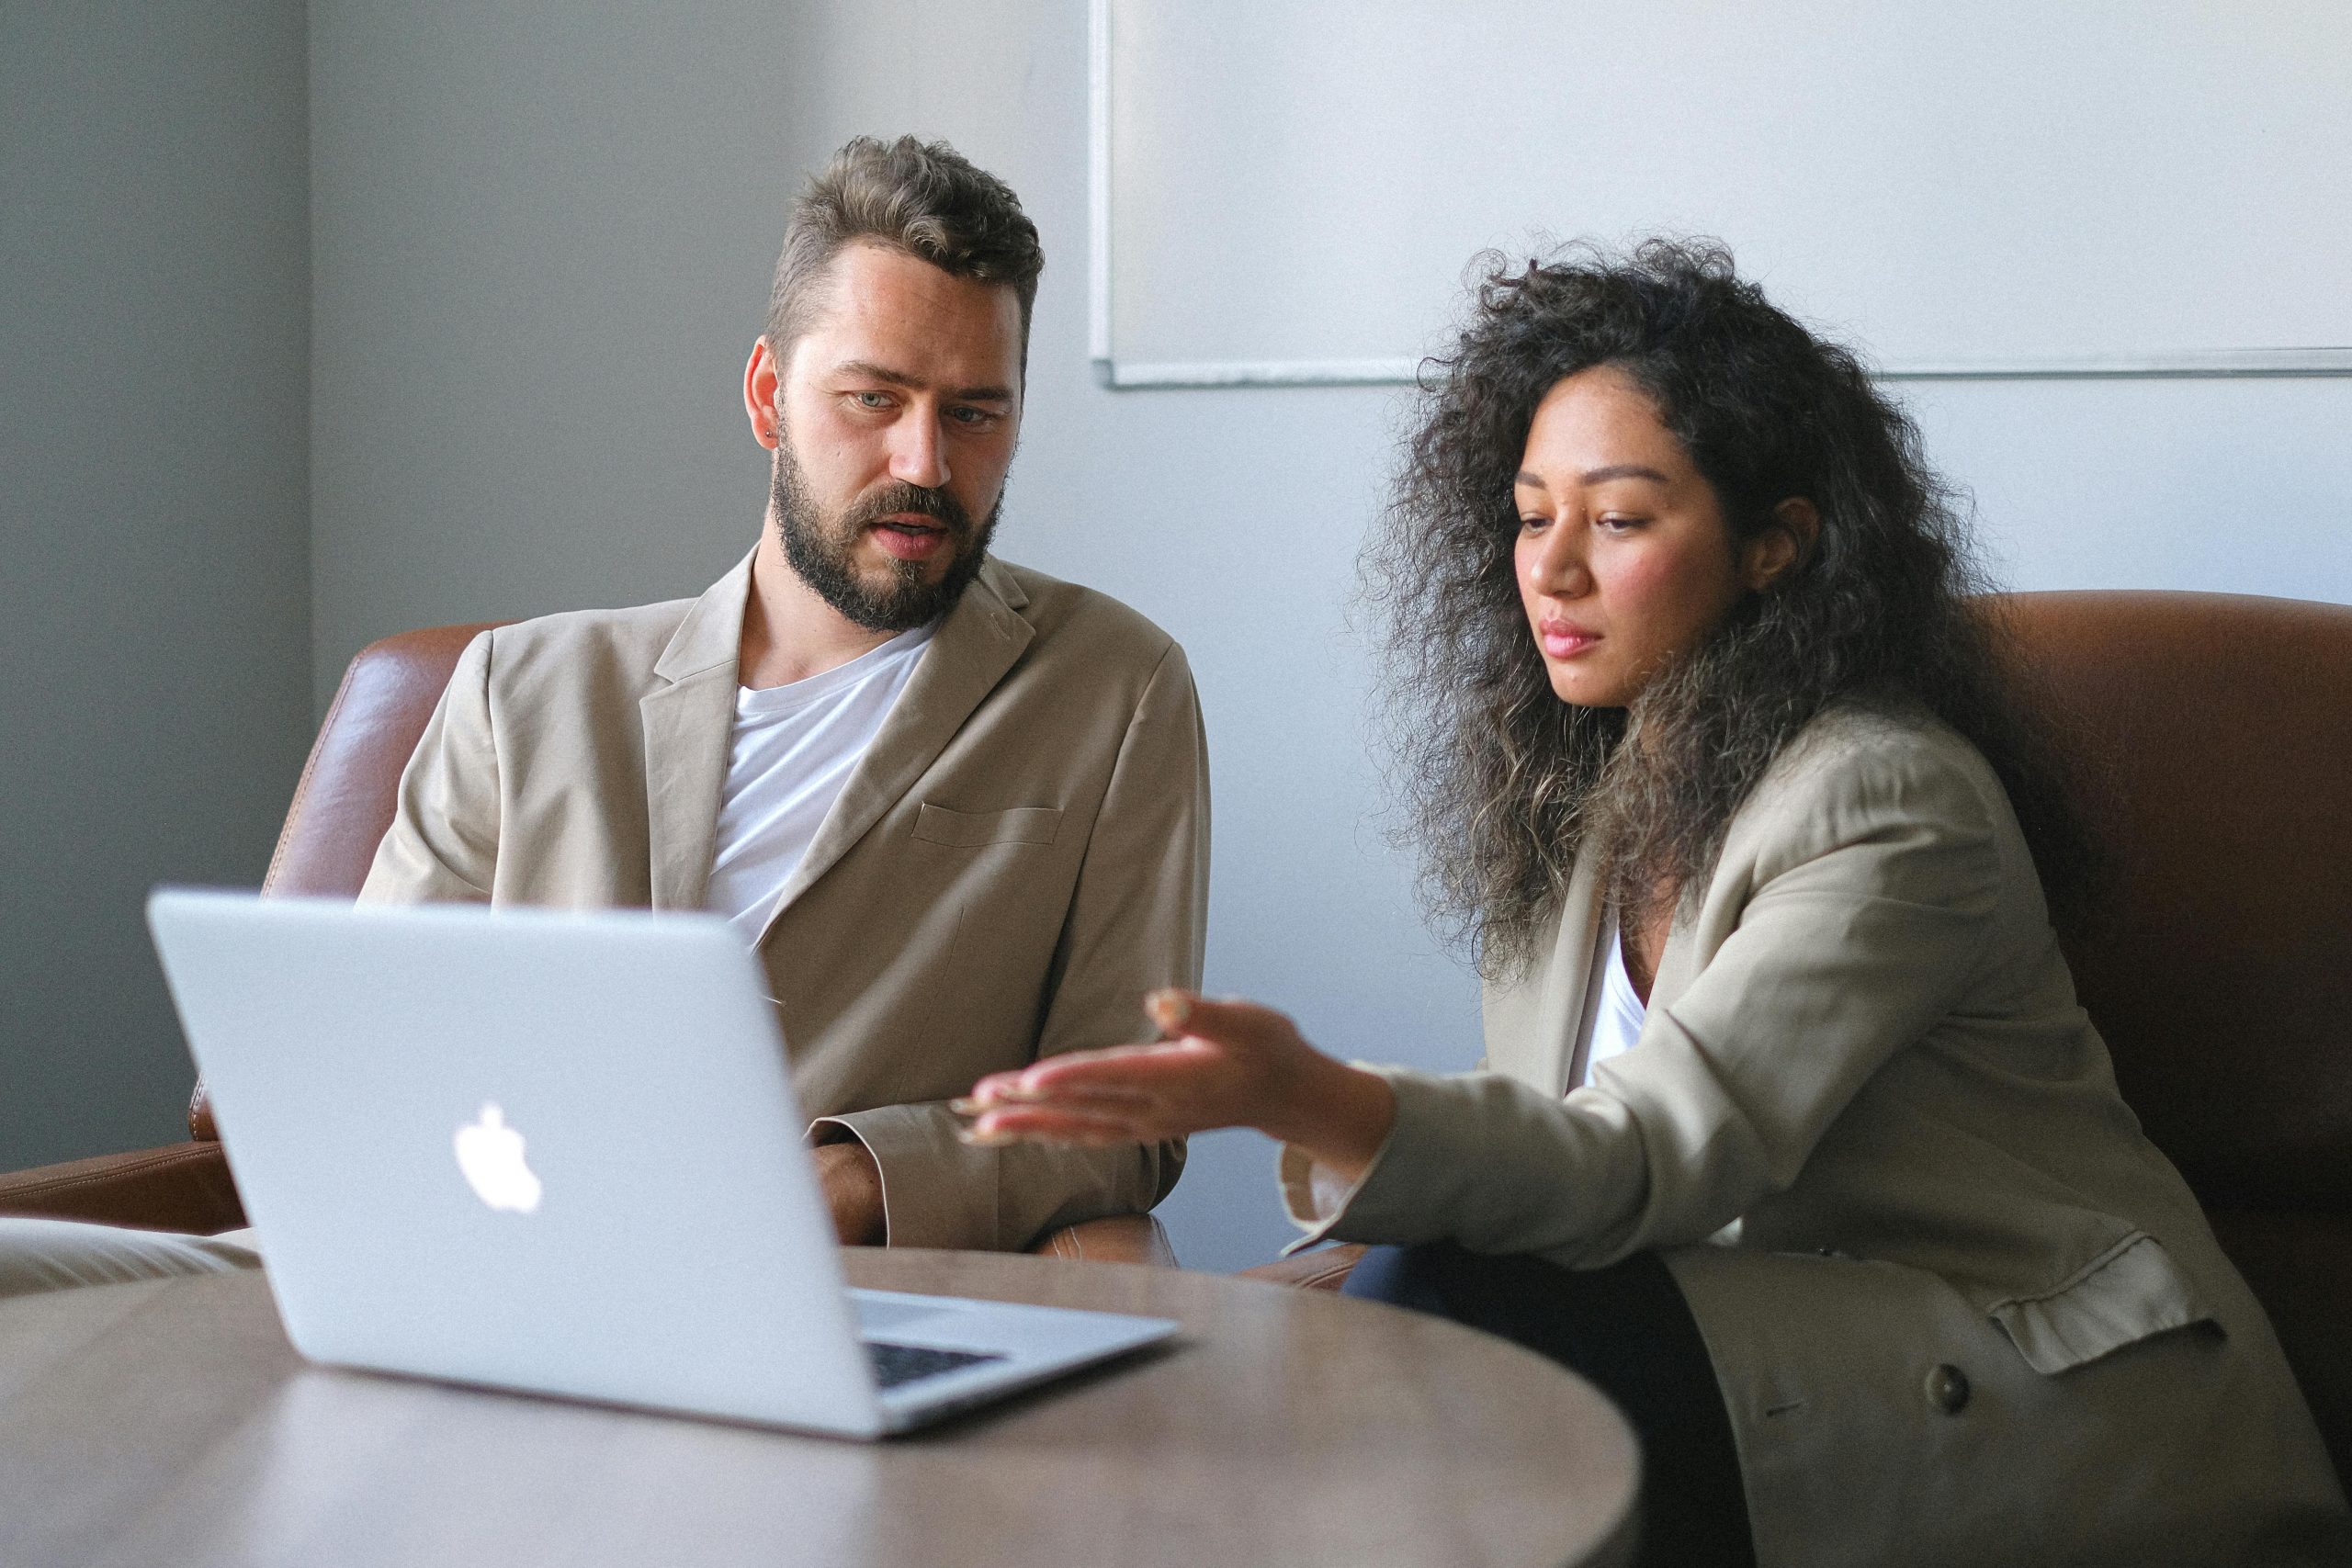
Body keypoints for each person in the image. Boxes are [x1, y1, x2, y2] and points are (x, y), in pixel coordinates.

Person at [960, 243, 2348, 1565]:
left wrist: (1307, 1094)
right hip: (1759, 1367)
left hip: (2055, 1397)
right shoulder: (1579, 807)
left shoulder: (1888, 803)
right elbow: (1546, 1182)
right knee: (1302, 1367)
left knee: (1452, 1326)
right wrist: (1216, 1321)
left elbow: (1648, 1160)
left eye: (1618, 519)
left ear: (1775, 546)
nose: (1550, 569)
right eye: (1528, 516)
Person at [0, 134, 1205, 1294]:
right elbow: (363, 1052)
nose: (925, 462)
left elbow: (1128, 1116)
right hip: (421, 1257)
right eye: (873, 398)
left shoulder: (1110, 687)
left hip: (796, 1295)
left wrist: (836, 1186)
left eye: (975, 413)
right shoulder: (525, 688)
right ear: (768, 397)